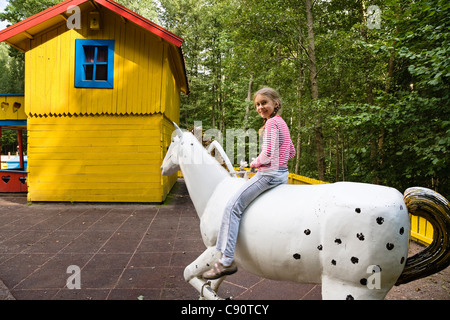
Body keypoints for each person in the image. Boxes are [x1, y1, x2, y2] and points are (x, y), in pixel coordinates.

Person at [203, 87, 296, 280]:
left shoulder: (271, 124)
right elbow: (291, 152)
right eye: (258, 105)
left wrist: (255, 163)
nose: (261, 107)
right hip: (282, 173)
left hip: (269, 175)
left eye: (264, 103)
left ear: (275, 104)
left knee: (232, 207)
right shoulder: (281, 123)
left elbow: (268, 153)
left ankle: (226, 260)